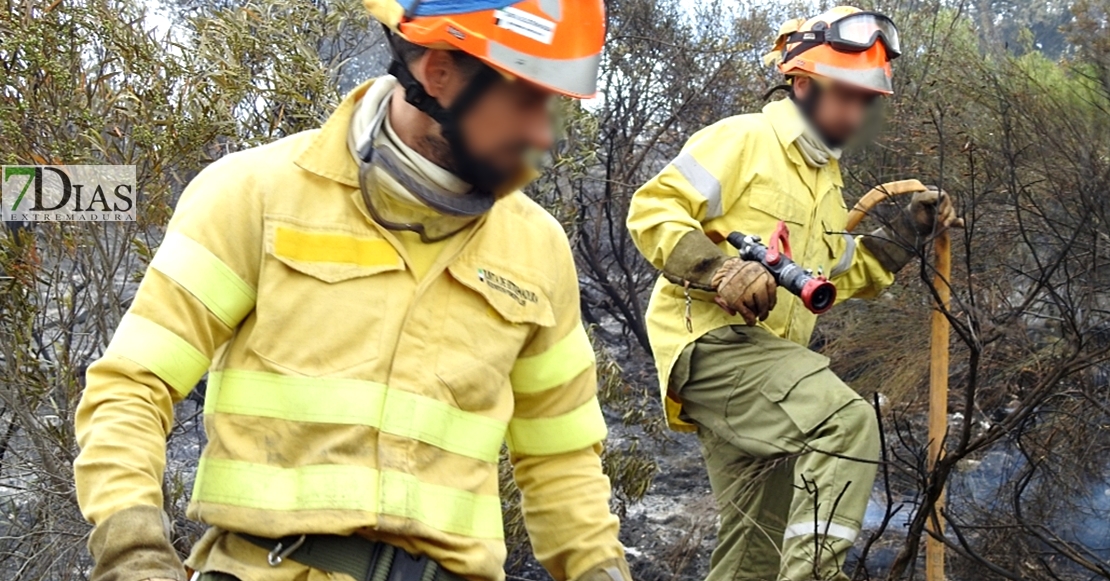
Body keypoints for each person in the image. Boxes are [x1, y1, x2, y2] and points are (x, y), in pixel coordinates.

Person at [73, 2, 632, 581]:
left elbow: (561, 460)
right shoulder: (256, 193)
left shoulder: (537, 247)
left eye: (550, 106)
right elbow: (132, 388)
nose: (542, 134)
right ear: (438, 72)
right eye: (522, 101)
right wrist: (134, 556)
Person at [626, 7, 961, 581]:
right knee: (847, 423)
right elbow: (653, 208)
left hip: (773, 365)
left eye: (866, 99)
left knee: (757, 544)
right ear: (802, 83)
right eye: (845, 94)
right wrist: (719, 270)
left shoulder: (826, 182)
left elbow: (837, 273)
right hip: (715, 346)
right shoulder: (745, 138)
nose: (857, 111)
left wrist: (909, 231)